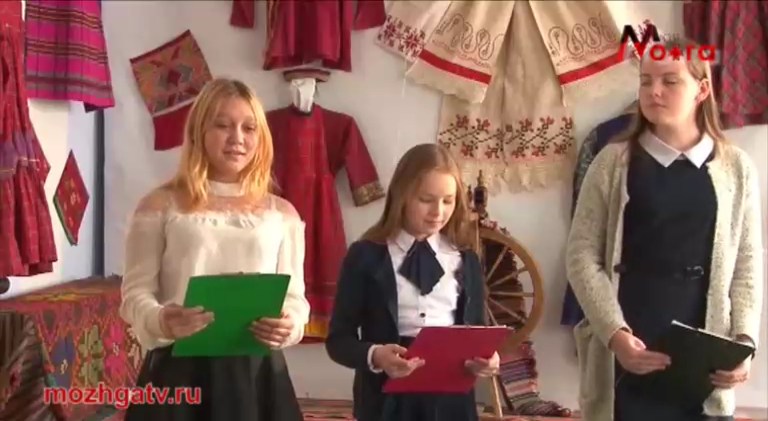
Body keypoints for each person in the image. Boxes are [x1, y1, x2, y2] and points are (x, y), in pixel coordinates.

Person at [566, 38, 763, 421]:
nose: (654, 91)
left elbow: (747, 264)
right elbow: (581, 256)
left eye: (670, 81)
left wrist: (744, 343)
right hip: (632, 345)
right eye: (646, 81)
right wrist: (615, 335)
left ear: (701, 90)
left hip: (705, 355)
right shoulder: (612, 163)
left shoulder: (736, 168)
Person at [119, 78, 310, 421]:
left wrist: (290, 323)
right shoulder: (159, 205)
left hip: (257, 374)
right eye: (223, 125)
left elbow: (295, 298)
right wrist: (161, 319)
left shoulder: (282, 213)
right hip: (179, 371)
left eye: (249, 128)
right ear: (199, 132)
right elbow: (134, 295)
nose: (237, 138)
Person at [325, 143, 500, 421]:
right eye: (426, 199)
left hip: (452, 403)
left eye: (448, 201)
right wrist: (376, 355)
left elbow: (479, 333)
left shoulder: (465, 259)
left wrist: (488, 359)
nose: (438, 212)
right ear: (402, 195)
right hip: (386, 401)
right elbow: (338, 341)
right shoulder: (365, 255)